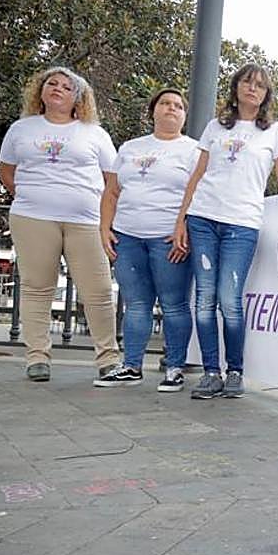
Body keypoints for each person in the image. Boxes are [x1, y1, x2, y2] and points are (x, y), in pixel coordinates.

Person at [172, 64, 278, 400]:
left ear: (266, 94)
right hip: (203, 218)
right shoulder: (215, 127)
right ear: (236, 87)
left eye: (259, 85)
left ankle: (235, 370)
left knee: (230, 298)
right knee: (204, 299)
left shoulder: (275, 131)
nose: (252, 88)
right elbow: (196, 177)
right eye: (246, 82)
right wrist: (181, 220)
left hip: (242, 223)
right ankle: (211, 372)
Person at [0, 66, 121, 382]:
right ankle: (37, 358)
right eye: (51, 83)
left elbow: (113, 179)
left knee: (99, 290)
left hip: (86, 220)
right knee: (37, 288)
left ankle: (108, 358)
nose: (57, 88)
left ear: (78, 98)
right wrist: (33, 195)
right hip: (32, 218)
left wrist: (105, 218)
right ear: (40, 91)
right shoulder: (21, 129)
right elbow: (7, 171)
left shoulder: (95, 133)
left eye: (66, 87)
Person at [96, 88, 197, 392]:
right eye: (165, 103)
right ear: (153, 110)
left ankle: (175, 367)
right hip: (127, 237)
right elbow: (112, 191)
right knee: (136, 304)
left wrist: (185, 228)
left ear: (184, 115)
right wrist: (104, 228)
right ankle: (131, 366)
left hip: (168, 238)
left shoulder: (193, 150)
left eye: (178, 106)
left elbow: (197, 195)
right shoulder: (129, 148)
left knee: (174, 305)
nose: (171, 108)